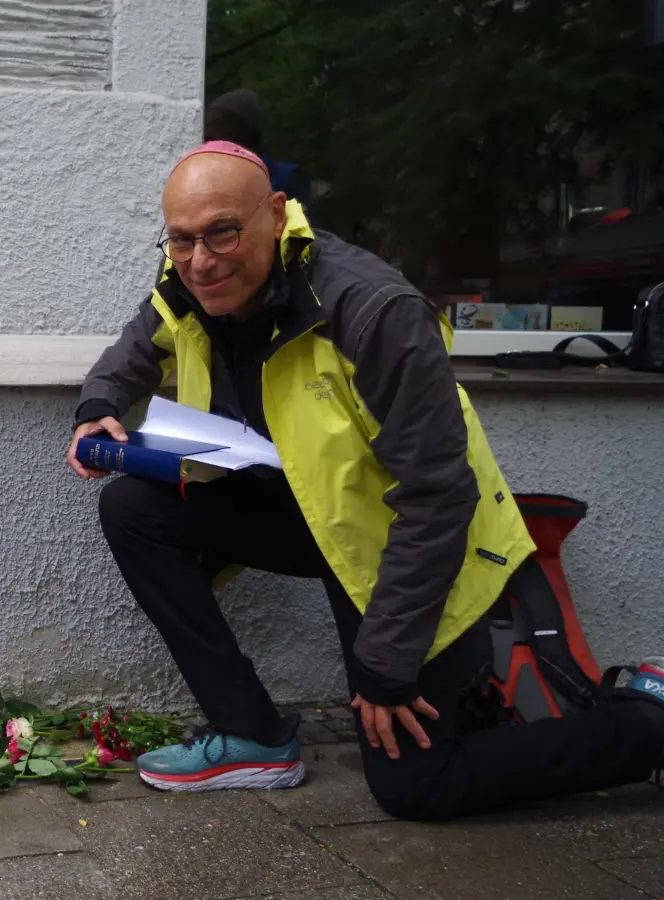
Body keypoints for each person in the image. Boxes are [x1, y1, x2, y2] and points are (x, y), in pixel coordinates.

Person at [68, 140, 664, 819]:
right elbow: (138, 342)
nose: (202, 260)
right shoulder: (192, 279)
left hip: (404, 541)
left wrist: (386, 664)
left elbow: (440, 498)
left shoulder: (374, 309)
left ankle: (645, 724)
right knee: (133, 507)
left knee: (416, 785)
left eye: (222, 233)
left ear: (276, 213)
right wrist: (98, 410)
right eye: (181, 240)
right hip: (307, 511)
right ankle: (254, 736)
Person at [204, 88, 305, 202]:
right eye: (209, 123)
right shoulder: (204, 178)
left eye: (221, 123)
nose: (209, 132)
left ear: (245, 129)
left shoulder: (284, 178)